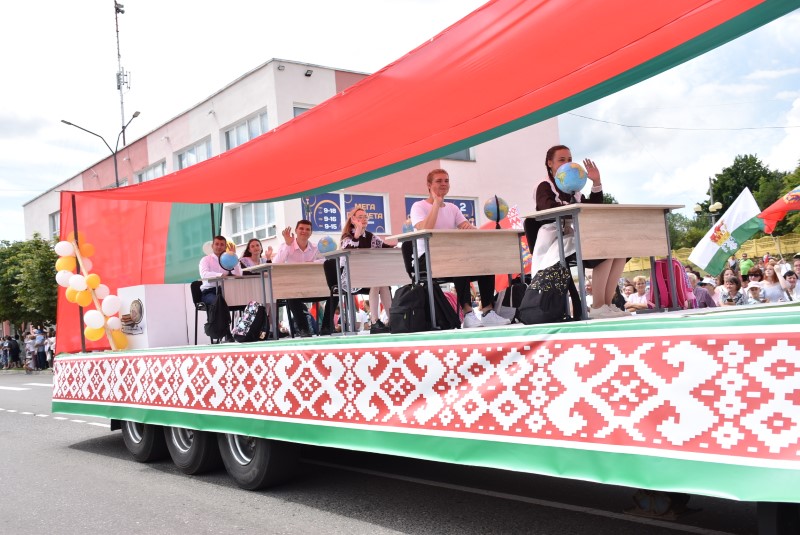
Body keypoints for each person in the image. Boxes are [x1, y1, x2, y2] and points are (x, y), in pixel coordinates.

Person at [533, 145, 627, 319]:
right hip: (554, 239)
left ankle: (607, 304)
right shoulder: (544, 186)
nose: (567, 163)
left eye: (569, 159)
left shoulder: (574, 190)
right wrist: (573, 206)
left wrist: (596, 183)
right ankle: (598, 306)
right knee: (604, 250)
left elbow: (592, 208)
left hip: (572, 235)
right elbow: (546, 208)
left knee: (619, 251)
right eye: (561, 160)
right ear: (550, 163)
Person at [410, 168, 511, 328]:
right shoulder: (418, 206)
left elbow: (466, 227)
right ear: (429, 185)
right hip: (427, 259)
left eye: (446, 181)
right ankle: (468, 314)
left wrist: (480, 230)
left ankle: (487, 311)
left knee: (483, 262)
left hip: (452, 256)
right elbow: (426, 229)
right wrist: (436, 203)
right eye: (439, 181)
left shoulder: (452, 208)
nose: (443, 184)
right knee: (459, 261)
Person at [340, 207, 396, 334]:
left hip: (368, 273)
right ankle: (374, 321)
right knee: (376, 280)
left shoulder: (370, 236)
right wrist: (358, 231)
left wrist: (399, 246)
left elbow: (384, 246)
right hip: (350, 275)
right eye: (360, 217)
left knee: (383, 283)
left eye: (365, 217)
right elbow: (350, 249)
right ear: (353, 220)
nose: (364, 219)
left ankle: (392, 320)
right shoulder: (347, 236)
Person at [273, 220, 324, 337]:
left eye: (307, 229)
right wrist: (287, 244)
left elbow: (325, 260)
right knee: (291, 295)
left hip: (312, 286)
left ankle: (326, 327)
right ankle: (304, 329)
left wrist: (311, 263)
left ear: (311, 233)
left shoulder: (316, 247)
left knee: (334, 293)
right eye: (301, 228)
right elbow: (276, 263)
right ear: (296, 230)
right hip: (294, 287)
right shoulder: (286, 245)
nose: (304, 231)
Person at [199, 235, 242, 306]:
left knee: (242, 297)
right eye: (217, 244)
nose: (219, 247)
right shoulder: (205, 259)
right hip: (209, 291)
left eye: (222, 245)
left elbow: (238, 275)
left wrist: (233, 258)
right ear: (212, 246)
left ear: (225, 247)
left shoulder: (228, 259)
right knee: (219, 302)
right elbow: (204, 274)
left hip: (226, 290)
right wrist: (221, 275)